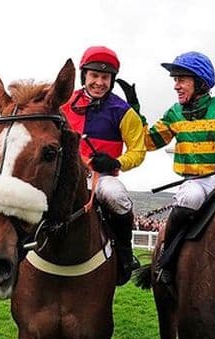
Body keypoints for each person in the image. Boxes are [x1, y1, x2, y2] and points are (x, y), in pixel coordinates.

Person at [144, 51, 215, 284]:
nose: (176, 86)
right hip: (195, 182)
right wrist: (135, 112)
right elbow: (149, 142)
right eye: (175, 80)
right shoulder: (174, 113)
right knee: (189, 198)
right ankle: (167, 259)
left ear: (199, 82)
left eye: (181, 80)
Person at [60, 46, 146, 285]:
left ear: (112, 80)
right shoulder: (63, 104)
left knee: (117, 196)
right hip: (66, 175)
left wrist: (116, 162)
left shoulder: (123, 111)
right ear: (84, 76)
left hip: (102, 178)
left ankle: (125, 253)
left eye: (105, 77)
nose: (99, 82)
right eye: (94, 76)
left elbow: (138, 150)